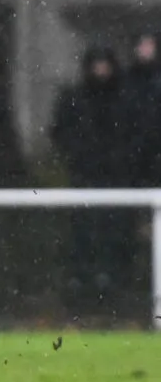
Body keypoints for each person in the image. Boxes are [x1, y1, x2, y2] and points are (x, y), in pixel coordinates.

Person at [50, 46, 134, 317]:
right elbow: (60, 133)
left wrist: (119, 159)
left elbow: (138, 135)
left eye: (104, 64)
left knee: (115, 236)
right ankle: (82, 290)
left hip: (117, 179)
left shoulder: (124, 99)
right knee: (82, 235)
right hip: (84, 177)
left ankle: (113, 290)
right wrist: (80, 156)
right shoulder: (75, 99)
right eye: (96, 64)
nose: (100, 70)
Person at [122, 33, 161, 189]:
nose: (145, 50)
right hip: (131, 155)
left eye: (149, 45)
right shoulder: (125, 81)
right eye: (142, 45)